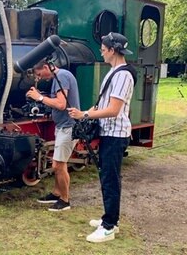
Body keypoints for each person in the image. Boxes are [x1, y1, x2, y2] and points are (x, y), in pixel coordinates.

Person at [68, 32, 135, 243]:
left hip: (116, 134)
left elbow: (114, 109)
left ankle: (109, 226)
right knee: (106, 177)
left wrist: (85, 114)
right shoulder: (113, 72)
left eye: (104, 49)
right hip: (108, 132)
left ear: (113, 50)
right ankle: (110, 219)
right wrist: (83, 113)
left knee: (110, 178)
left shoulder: (124, 75)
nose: (101, 52)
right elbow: (101, 103)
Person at [26, 59, 80, 212]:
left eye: (39, 74)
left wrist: (40, 98)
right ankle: (57, 193)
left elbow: (61, 104)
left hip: (68, 127)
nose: (40, 77)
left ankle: (65, 200)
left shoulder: (61, 76)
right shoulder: (61, 76)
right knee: (58, 164)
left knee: (58, 165)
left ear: (45, 67)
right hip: (63, 126)